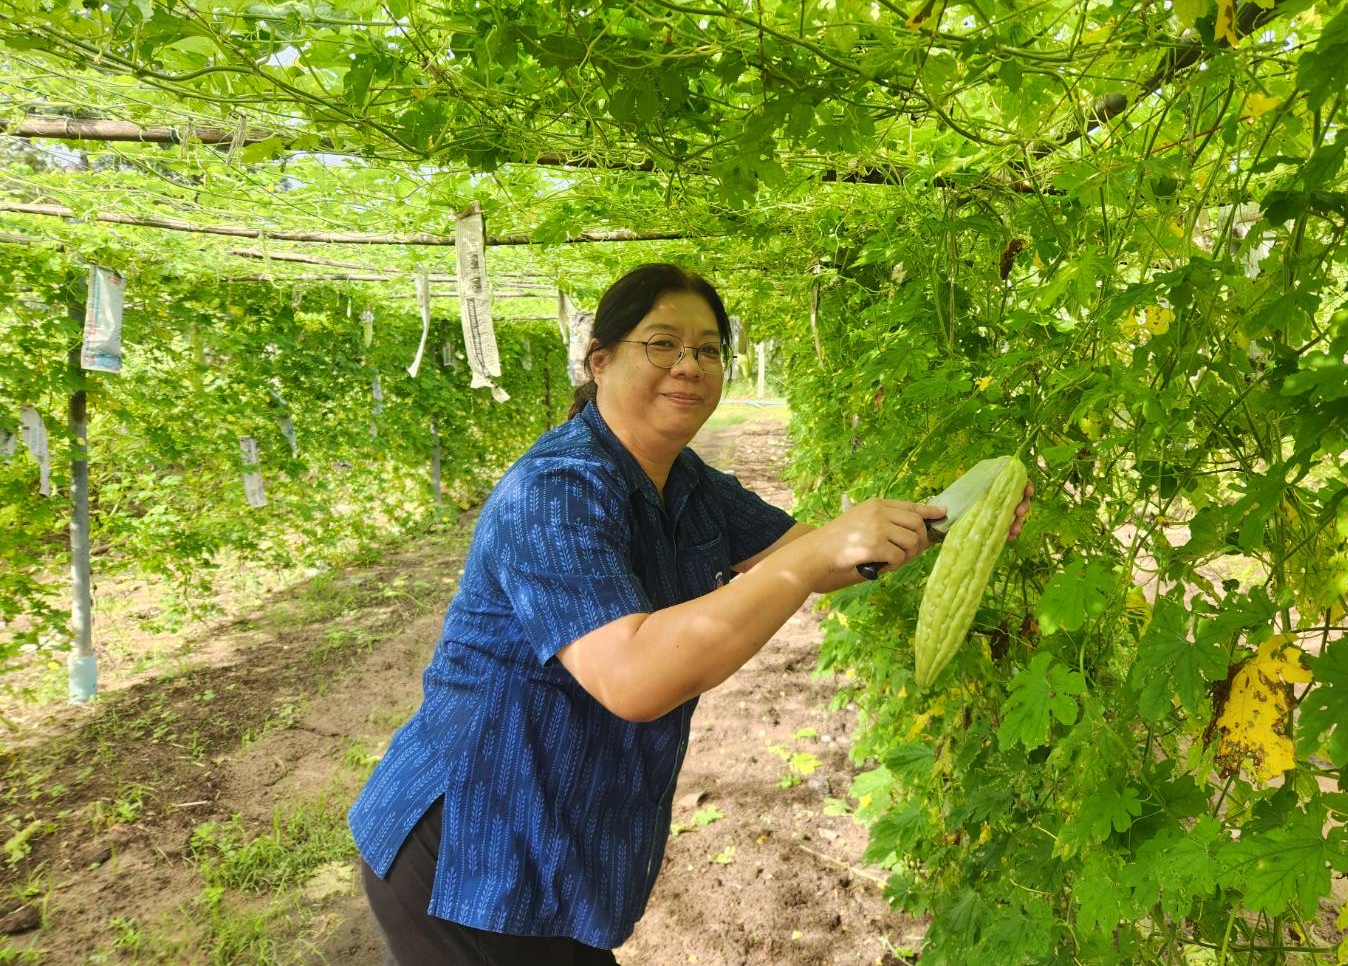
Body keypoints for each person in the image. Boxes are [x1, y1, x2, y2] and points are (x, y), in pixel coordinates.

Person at [349, 263, 1032, 965]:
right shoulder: (554, 488)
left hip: (552, 838)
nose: (689, 365)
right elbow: (634, 678)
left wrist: (954, 518)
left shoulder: (691, 483)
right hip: (466, 845)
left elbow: (823, 562)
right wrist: (803, 562)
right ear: (600, 360)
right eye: (662, 343)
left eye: (708, 350)